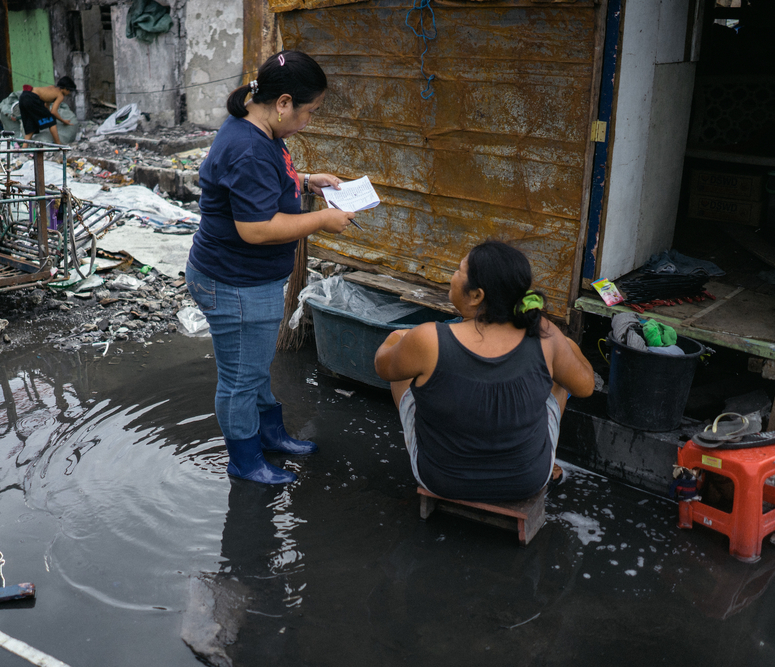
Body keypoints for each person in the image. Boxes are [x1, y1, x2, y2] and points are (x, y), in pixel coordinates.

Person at [185, 50, 356, 485]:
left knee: (254, 366)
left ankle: (270, 434)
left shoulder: (259, 131)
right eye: (309, 111)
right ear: (283, 103)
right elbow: (256, 229)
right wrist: (322, 219)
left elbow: (261, 186)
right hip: (234, 281)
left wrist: (306, 181)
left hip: (246, 278)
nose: (309, 121)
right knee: (241, 378)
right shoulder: (248, 147)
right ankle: (244, 459)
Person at [374, 240, 595, 501]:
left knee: (406, 366)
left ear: (477, 295)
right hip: (527, 480)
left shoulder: (427, 338)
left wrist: (398, 336)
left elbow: (383, 367)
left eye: (458, 270)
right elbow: (585, 386)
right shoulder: (545, 335)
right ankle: (542, 458)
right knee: (560, 377)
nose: (452, 276)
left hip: (441, 480)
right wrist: (566, 345)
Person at [15, 77, 75, 144]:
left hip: (23, 96)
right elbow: (53, 112)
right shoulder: (60, 95)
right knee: (51, 119)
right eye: (69, 91)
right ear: (65, 88)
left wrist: (46, 114)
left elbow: (46, 105)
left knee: (31, 125)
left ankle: (24, 148)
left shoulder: (51, 87)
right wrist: (63, 121)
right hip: (32, 98)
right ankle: (58, 143)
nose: (69, 93)